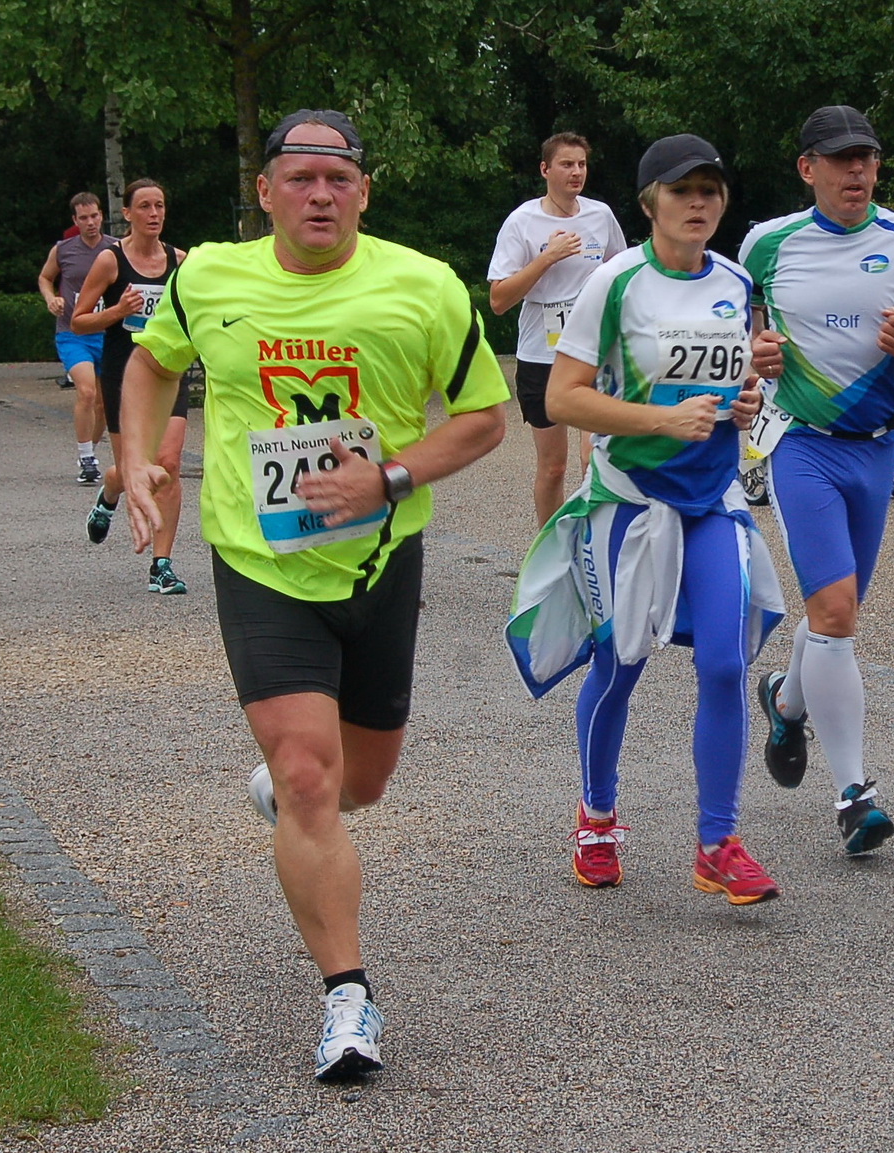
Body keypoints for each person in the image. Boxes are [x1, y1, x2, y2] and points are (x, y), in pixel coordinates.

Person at [118, 110, 507, 1080]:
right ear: (266, 193)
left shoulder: (422, 287)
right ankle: (348, 996)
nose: (320, 196)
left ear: (364, 193)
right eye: (300, 179)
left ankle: (304, 800)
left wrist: (390, 479)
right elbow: (151, 364)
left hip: (379, 562)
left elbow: (485, 419)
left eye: (338, 181)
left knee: (359, 782)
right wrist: (134, 460)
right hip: (260, 559)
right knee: (305, 771)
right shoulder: (208, 277)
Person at [505, 134, 785, 905]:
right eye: (682, 190)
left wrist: (746, 403)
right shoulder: (615, 282)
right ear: (649, 201)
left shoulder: (735, 279)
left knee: (727, 662)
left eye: (712, 190)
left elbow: (730, 391)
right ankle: (596, 817)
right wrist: (661, 423)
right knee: (621, 664)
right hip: (631, 505)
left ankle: (717, 842)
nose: (699, 203)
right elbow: (563, 397)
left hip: (713, 503)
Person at [739, 106, 894, 854]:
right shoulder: (767, 242)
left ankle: (784, 696)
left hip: (876, 449)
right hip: (800, 445)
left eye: (866, 157)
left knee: (835, 615)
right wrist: (756, 354)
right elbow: (745, 328)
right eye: (841, 160)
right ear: (809, 169)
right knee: (834, 613)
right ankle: (855, 793)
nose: (858, 172)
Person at [486, 133, 627, 526]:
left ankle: (593, 546)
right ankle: (550, 550)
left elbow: (620, 272)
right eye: (567, 164)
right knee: (553, 467)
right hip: (542, 354)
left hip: (594, 352)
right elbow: (498, 301)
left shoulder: (600, 215)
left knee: (592, 458)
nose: (576, 172)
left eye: (582, 164)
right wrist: (547, 258)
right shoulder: (522, 222)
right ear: (545, 170)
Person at [71, 179, 190, 594]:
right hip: (124, 375)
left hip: (170, 372)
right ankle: (110, 489)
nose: (154, 214)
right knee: (134, 469)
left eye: (159, 206)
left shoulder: (181, 260)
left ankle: (162, 564)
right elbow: (78, 320)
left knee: (169, 464)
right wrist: (118, 311)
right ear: (128, 213)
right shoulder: (109, 260)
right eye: (144, 206)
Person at [38, 192, 117, 484]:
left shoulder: (115, 249)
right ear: (75, 220)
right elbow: (45, 277)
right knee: (86, 391)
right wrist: (51, 299)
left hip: (107, 334)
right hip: (73, 333)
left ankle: (89, 452)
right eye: (83, 218)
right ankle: (86, 458)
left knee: (105, 404)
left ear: (101, 216)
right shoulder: (63, 250)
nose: (91, 222)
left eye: (94, 216)